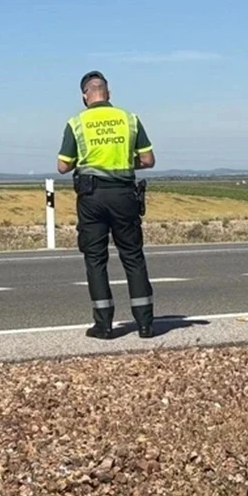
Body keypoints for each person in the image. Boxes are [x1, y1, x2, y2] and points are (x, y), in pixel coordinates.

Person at [56, 70, 156, 339]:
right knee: (133, 256)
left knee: (95, 258)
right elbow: (148, 160)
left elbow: (63, 166)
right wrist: (124, 163)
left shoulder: (77, 123)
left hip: (92, 197)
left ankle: (104, 324)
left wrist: (89, 164)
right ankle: (145, 324)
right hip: (124, 194)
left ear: (84, 96)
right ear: (108, 93)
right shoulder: (129, 119)